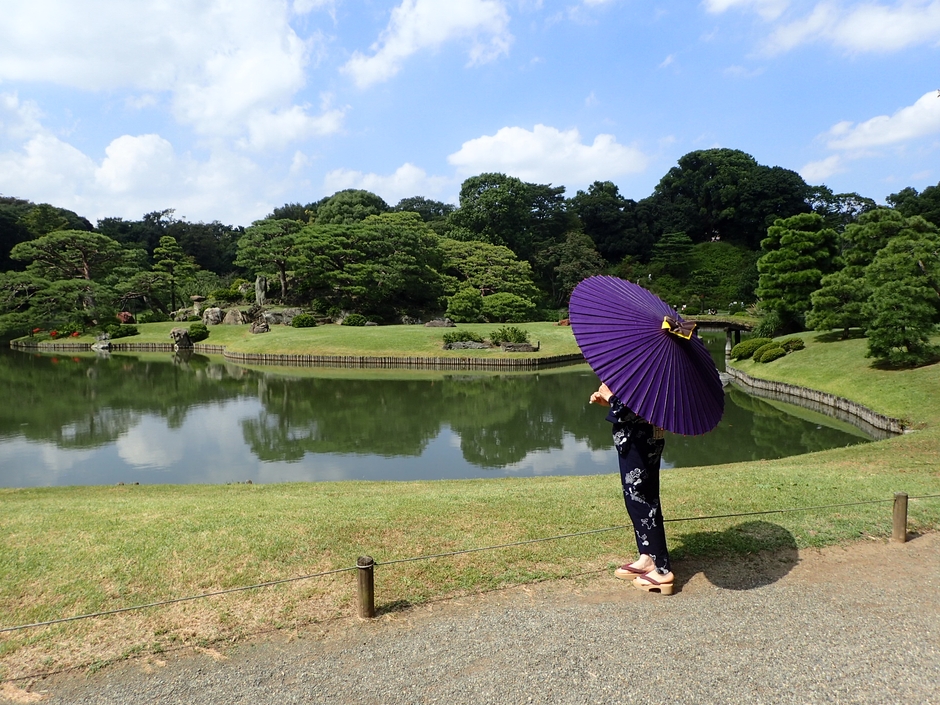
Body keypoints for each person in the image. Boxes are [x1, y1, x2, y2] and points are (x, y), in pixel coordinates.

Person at [590, 382, 674, 595]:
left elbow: (637, 408)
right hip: (642, 439)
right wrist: (609, 403)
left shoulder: (655, 370)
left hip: (640, 441)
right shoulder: (650, 369)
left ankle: (662, 571)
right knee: (638, 499)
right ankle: (648, 557)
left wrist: (610, 398)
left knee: (643, 502)